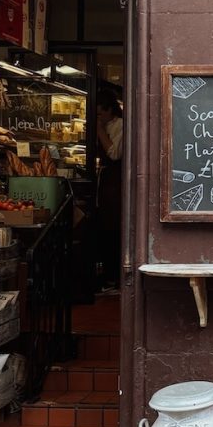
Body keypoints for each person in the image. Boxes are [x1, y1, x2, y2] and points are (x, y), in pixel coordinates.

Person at [95, 87, 123, 292]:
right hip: (105, 182)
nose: (99, 117)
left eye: (100, 113)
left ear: (110, 110)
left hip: (115, 183)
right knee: (104, 227)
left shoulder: (120, 126)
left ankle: (113, 278)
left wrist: (98, 130)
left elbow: (114, 153)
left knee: (112, 227)